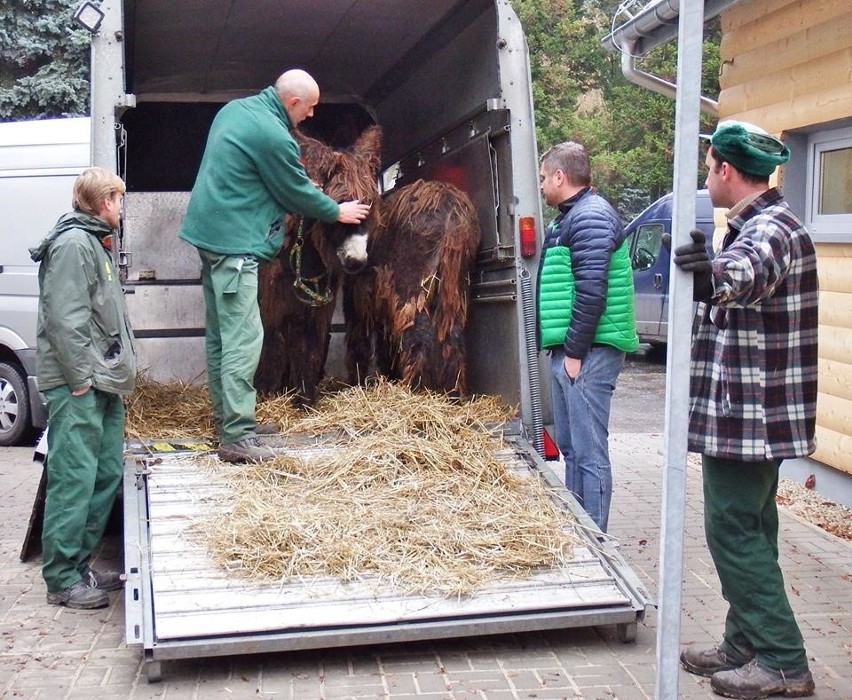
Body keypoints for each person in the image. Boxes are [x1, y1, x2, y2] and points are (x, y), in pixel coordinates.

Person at [674, 120, 818, 699]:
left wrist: (704, 271)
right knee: (753, 527)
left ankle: (783, 661)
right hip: (750, 411)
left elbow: (743, 277)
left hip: (750, 414)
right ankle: (745, 643)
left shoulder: (771, 230)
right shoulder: (759, 224)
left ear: (726, 171)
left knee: (731, 528)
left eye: (710, 169)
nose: (708, 179)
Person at [179, 69, 370, 463]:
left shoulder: (236, 112)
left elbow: (260, 178)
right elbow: (294, 192)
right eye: (311, 107)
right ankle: (236, 435)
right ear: (293, 102)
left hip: (211, 239)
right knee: (244, 340)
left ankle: (228, 419)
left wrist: (296, 188)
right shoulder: (274, 135)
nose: (312, 116)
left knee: (220, 337)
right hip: (234, 248)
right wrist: (336, 210)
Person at [29, 167, 136, 610]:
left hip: (100, 379)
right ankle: (61, 578)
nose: (122, 208)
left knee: (105, 472)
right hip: (80, 383)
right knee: (74, 478)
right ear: (103, 202)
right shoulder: (74, 245)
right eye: (119, 200)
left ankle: (80, 566)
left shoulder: (94, 243)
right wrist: (79, 380)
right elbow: (65, 319)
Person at [536, 142, 639, 532]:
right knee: (573, 448)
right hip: (576, 350)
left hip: (589, 353)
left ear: (561, 177)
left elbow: (592, 290)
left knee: (590, 451)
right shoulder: (571, 217)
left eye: (545, 177)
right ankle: (579, 527)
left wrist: (575, 353)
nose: (543, 185)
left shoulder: (591, 217)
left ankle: (595, 537)